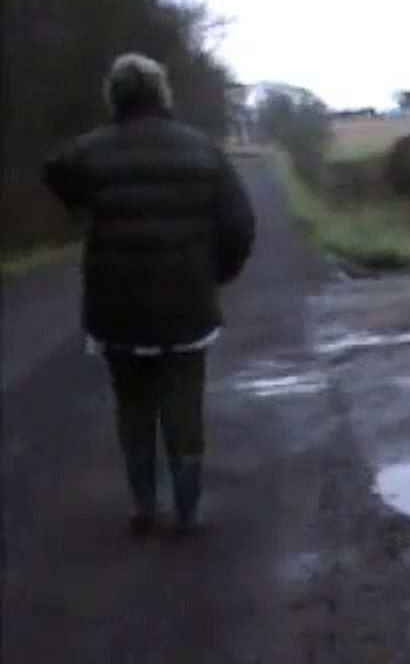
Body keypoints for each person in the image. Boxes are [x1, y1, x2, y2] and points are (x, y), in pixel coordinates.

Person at [44, 53, 257, 537]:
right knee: (184, 407)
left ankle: (144, 505)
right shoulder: (202, 150)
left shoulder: (91, 151)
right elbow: (240, 224)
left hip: (115, 307)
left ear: (113, 95)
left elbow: (55, 170)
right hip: (187, 305)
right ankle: (188, 511)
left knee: (132, 405)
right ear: (163, 92)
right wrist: (215, 273)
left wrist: (85, 203)